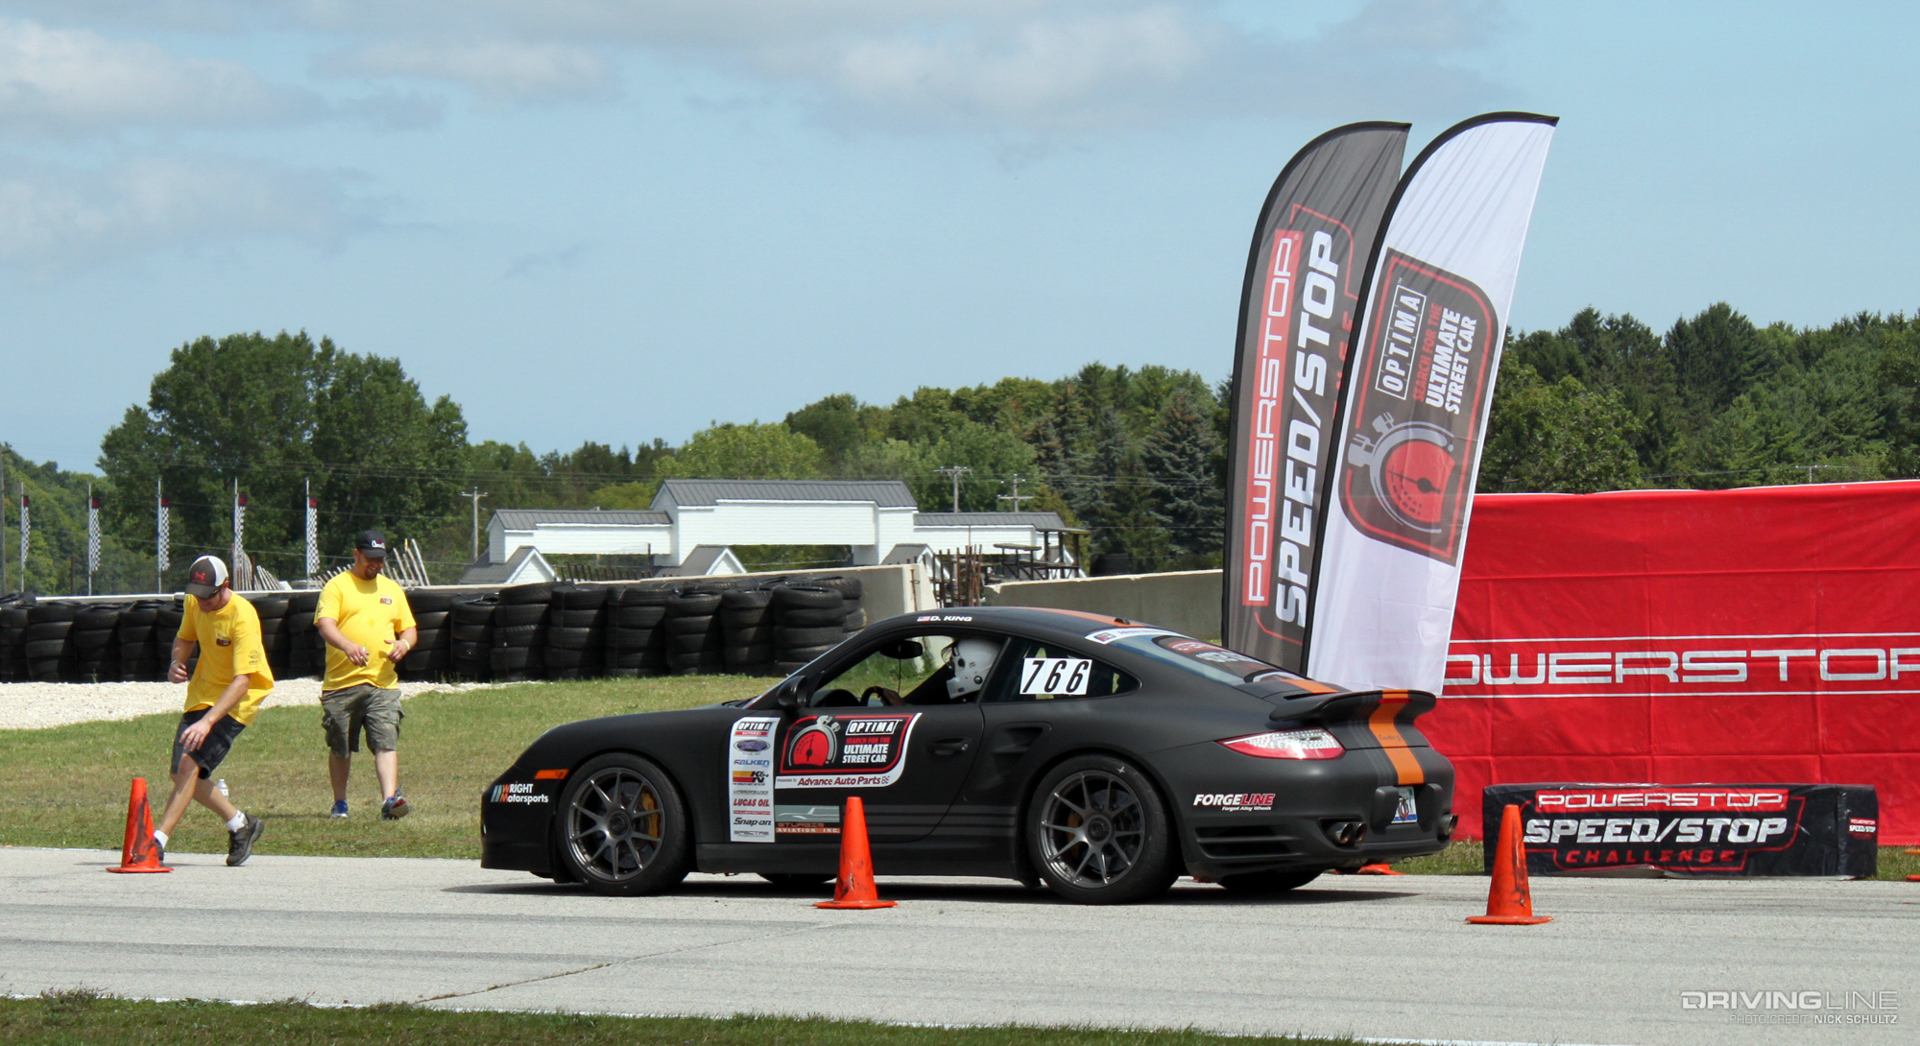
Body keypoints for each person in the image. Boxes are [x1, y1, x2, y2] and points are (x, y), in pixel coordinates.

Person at [157, 554, 269, 867]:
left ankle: (157, 841)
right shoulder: (195, 602)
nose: (202, 603)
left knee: (189, 765)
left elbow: (242, 682)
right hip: (203, 692)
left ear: (225, 587)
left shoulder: (242, 616)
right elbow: (184, 637)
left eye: (208, 596)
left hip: (237, 699)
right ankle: (240, 824)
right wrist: (176, 663)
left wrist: (208, 722)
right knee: (178, 771)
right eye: (197, 595)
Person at [314, 529, 417, 820]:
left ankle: (389, 801)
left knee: (386, 741)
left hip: (382, 682)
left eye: (380, 559)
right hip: (341, 684)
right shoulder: (337, 587)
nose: (376, 564)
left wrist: (404, 643)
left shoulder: (391, 589)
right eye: (370, 558)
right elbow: (325, 625)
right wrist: (346, 646)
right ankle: (340, 803)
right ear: (356, 554)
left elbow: (409, 628)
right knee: (341, 746)